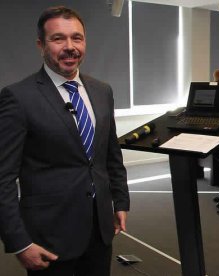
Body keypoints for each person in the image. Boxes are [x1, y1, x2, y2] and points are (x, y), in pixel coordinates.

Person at [0, 6, 130, 275]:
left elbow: (110, 154)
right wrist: (20, 243)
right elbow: (2, 178)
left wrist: (120, 201)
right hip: (50, 237)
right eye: (58, 38)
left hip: (100, 230)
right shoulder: (18, 98)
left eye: (77, 38)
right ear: (41, 45)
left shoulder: (102, 91)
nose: (70, 47)